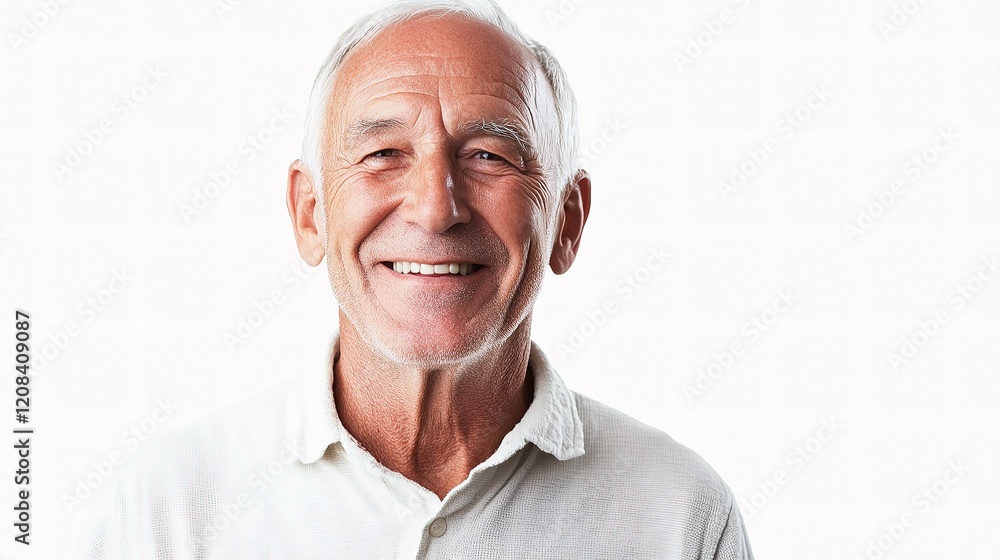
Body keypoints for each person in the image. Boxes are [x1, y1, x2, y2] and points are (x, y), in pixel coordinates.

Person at [76, 1, 753, 558]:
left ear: (567, 221)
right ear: (310, 214)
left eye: (489, 156)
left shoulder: (680, 516)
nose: (435, 208)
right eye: (382, 154)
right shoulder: (165, 511)